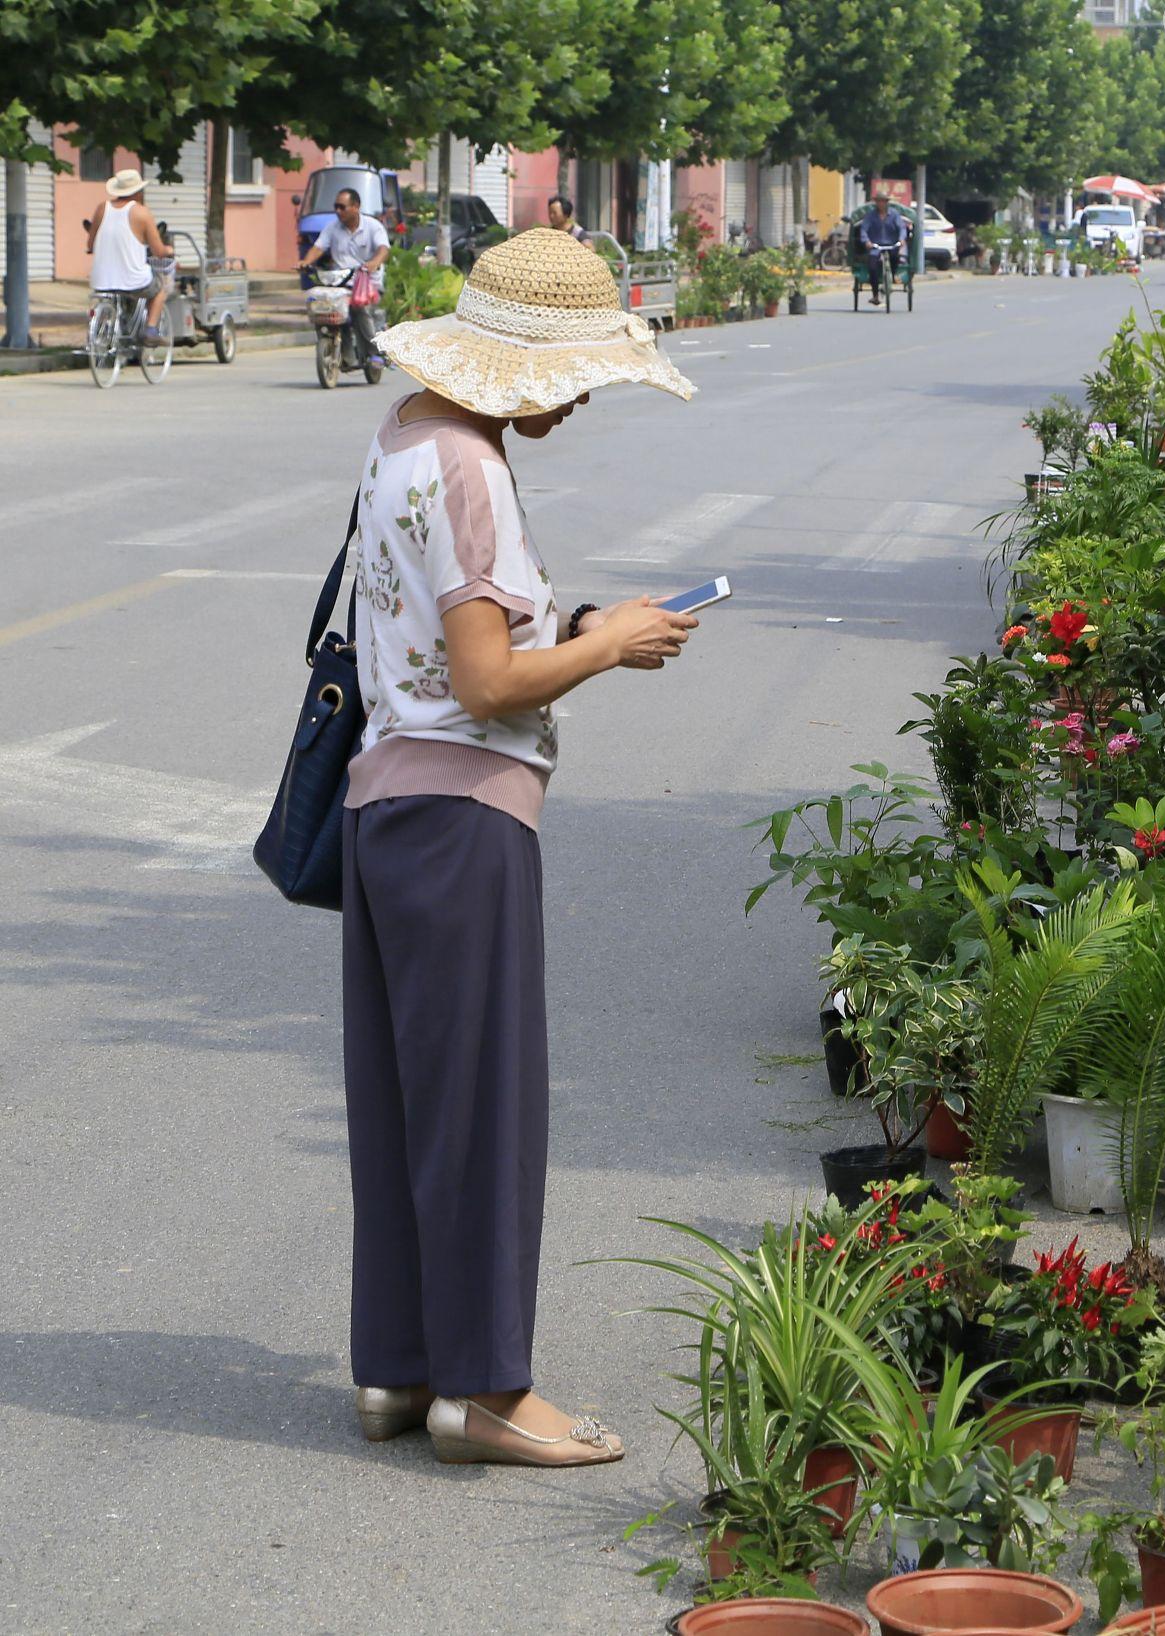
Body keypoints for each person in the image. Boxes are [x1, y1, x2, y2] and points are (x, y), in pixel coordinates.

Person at [337, 228, 700, 1465]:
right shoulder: (476, 470)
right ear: (528, 366)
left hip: (382, 806)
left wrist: (578, 623)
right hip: (463, 819)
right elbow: (489, 683)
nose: (584, 394)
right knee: (485, 1114)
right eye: (582, 373)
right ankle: (485, 1393)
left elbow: (445, 644)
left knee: (404, 1109)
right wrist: (614, 642)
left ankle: (398, 1370)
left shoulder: (403, 435)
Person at [299, 186, 392, 365]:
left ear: (356, 206)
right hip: (340, 283)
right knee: (326, 308)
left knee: (359, 310)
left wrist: (374, 263)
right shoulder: (332, 228)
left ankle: (375, 354)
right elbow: (318, 247)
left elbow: (383, 249)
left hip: (367, 286)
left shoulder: (373, 226)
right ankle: (345, 353)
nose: (338, 211)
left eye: (342, 207)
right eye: (336, 207)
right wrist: (305, 262)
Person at [86, 169, 174, 343]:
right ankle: (150, 330)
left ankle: (102, 335)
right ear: (138, 192)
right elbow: (158, 251)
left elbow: (90, 244)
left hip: (101, 280)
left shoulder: (101, 209)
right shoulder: (142, 213)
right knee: (161, 287)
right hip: (133, 281)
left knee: (114, 296)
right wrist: (168, 250)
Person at [854, 202, 908, 304]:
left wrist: (901, 239)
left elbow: (902, 228)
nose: (881, 204)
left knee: (895, 257)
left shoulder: (894, 215)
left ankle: (892, 275)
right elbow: (864, 230)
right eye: (879, 201)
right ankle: (875, 295)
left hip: (891, 245)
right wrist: (866, 241)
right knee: (872, 267)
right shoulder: (870, 216)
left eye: (883, 201)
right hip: (875, 246)